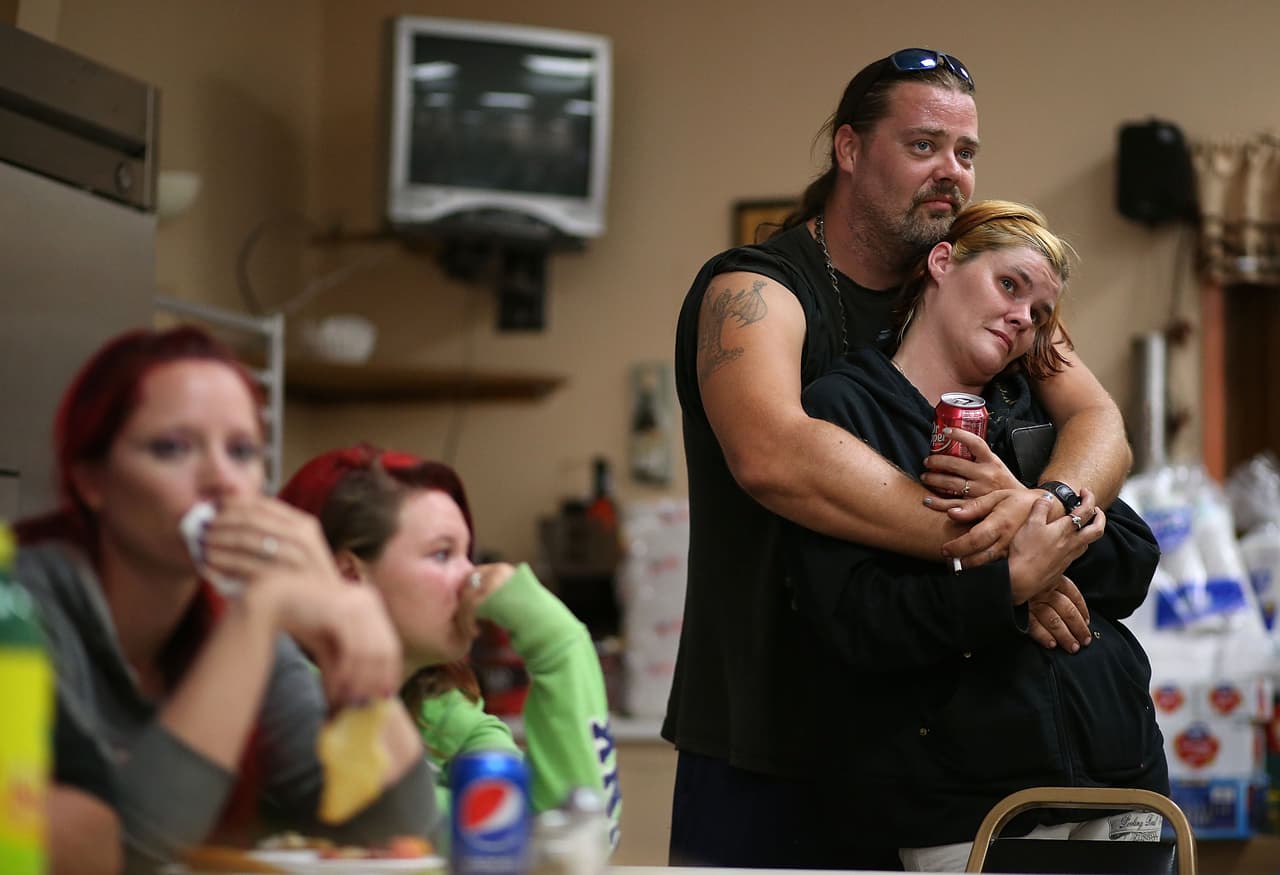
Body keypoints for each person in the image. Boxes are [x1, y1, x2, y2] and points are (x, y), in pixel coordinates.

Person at [666, 49, 1133, 868]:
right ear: (849, 148)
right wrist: (1006, 555)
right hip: (768, 737)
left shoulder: (982, 290)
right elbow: (774, 453)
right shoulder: (758, 289)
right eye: (924, 145)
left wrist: (1047, 511)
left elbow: (1098, 421)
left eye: (966, 151)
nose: (952, 171)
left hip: (923, 757)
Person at [785, 200, 1167, 871]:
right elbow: (856, 619)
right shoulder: (845, 406)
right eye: (1009, 285)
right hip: (969, 804)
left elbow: (1132, 559)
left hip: (1122, 778)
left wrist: (1028, 507)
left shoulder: (1034, 406)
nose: (1023, 317)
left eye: (1039, 312)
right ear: (942, 263)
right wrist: (1010, 584)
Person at [14, 326, 437, 874]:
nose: (222, 480)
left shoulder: (234, 620)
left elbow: (402, 831)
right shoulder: (21, 605)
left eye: (242, 451)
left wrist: (340, 638)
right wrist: (259, 614)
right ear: (91, 481)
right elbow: (130, 853)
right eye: (172, 448)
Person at [278, 445, 621, 847]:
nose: (470, 578)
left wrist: (557, 642)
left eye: (467, 555)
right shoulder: (285, 708)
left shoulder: (442, 715)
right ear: (350, 575)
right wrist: (560, 644)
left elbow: (576, 845)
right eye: (442, 554)